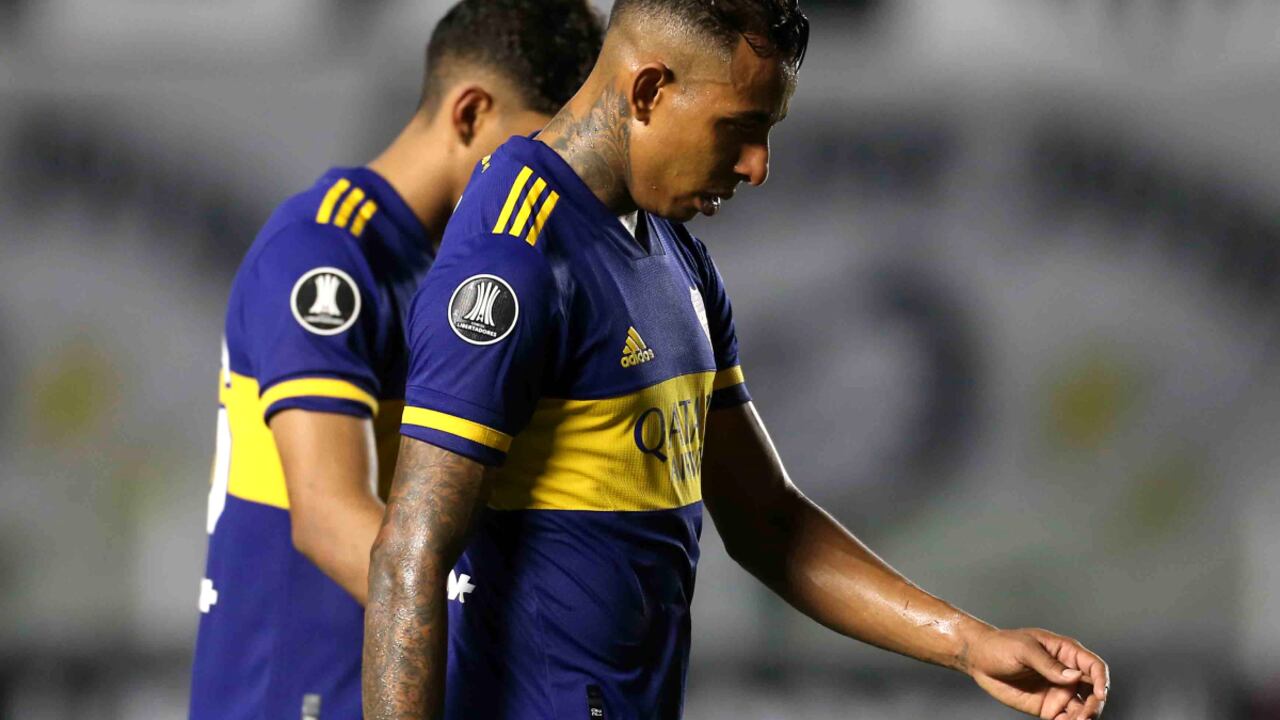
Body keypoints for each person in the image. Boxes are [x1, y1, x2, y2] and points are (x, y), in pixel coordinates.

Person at [363, 1, 1111, 719]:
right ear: (649, 90)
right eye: (741, 127)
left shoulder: (677, 256)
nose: (758, 166)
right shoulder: (512, 256)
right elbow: (409, 555)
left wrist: (970, 644)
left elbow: (768, 521)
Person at [188, 3, 603, 718]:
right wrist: (510, 639)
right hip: (297, 698)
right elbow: (327, 514)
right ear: (470, 113)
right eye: (540, 150)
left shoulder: (470, 270)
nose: (555, 183)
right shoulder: (327, 254)